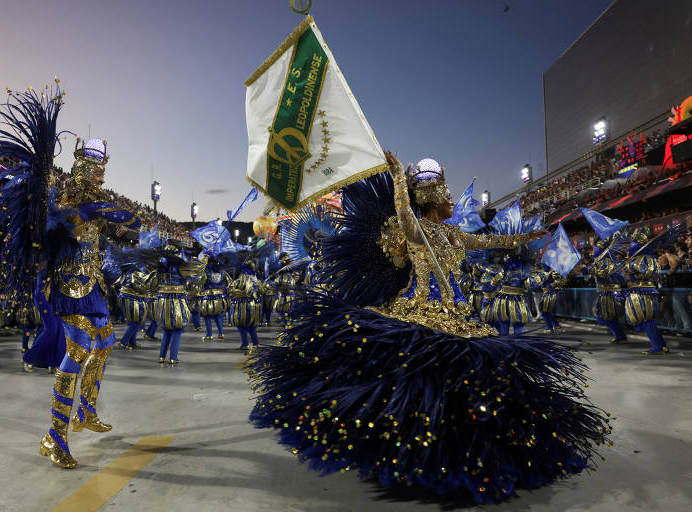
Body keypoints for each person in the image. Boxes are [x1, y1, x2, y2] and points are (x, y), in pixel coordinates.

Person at [249, 153, 610, 503]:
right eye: (448, 197)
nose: (452, 202)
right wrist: (397, 178)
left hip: (460, 317)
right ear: (433, 200)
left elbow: (489, 241)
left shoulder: (452, 235)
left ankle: (457, 454)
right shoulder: (417, 231)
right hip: (420, 311)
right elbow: (404, 214)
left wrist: (525, 238)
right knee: (420, 383)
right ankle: (410, 454)